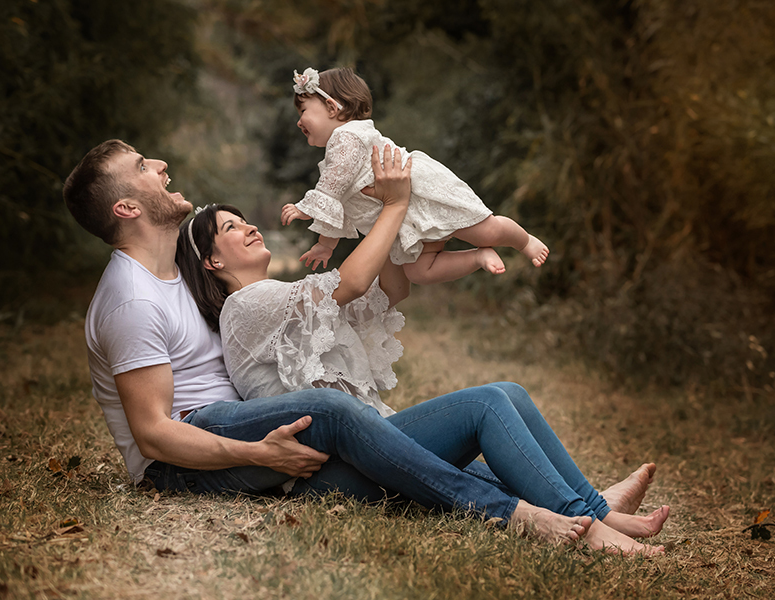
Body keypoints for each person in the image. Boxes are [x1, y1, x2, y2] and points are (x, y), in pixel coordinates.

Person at [63, 138, 665, 556]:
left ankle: (589, 507)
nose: (161, 164)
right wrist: (261, 456)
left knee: (493, 398)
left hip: (260, 438)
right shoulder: (132, 299)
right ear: (127, 206)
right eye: (143, 165)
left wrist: (391, 215)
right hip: (191, 459)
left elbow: (376, 289)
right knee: (340, 410)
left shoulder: (174, 280)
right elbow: (154, 436)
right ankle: (531, 515)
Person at [280, 67, 550, 284]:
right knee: (420, 272)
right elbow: (338, 200)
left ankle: (524, 240)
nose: (298, 121)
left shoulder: (347, 136)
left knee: (487, 231)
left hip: (421, 197)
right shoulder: (336, 152)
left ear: (331, 107)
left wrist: (306, 208)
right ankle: (478, 258)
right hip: (403, 219)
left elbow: (331, 186)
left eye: (303, 111)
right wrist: (326, 245)